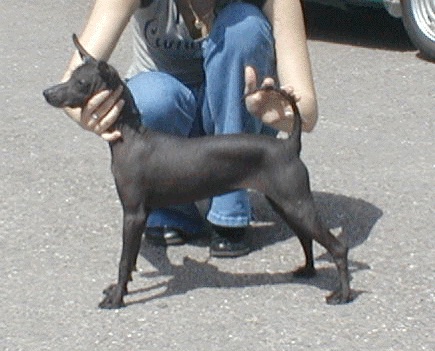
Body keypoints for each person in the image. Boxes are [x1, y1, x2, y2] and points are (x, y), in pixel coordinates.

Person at [61, 0, 318, 257]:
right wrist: (90, 116)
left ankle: (229, 212)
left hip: (236, 118)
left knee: (244, 29)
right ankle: (171, 209)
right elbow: (73, 78)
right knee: (152, 98)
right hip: (167, 121)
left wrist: (275, 113)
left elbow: (307, 113)